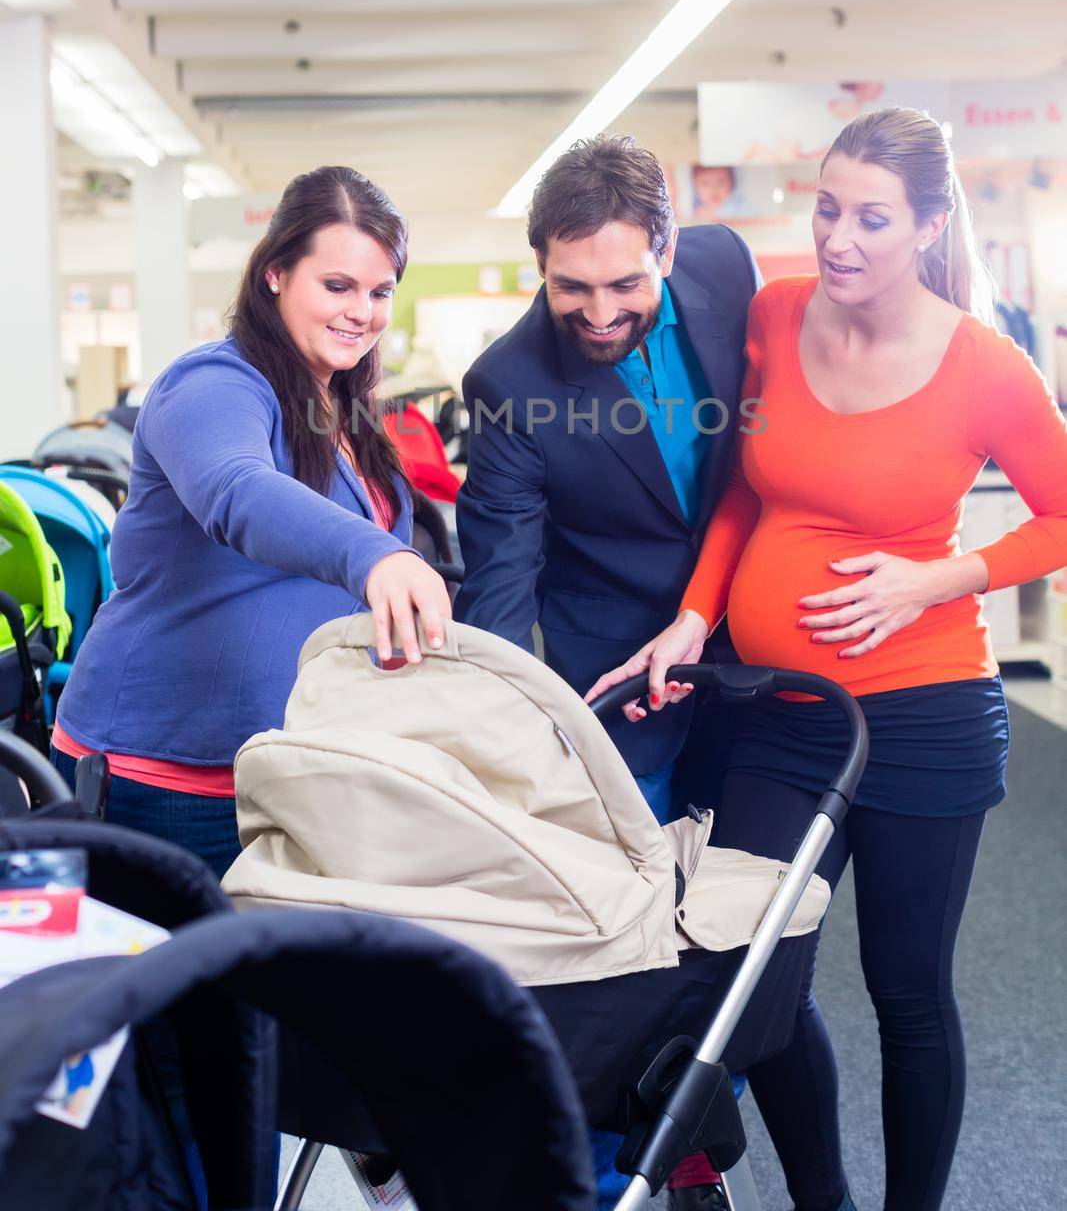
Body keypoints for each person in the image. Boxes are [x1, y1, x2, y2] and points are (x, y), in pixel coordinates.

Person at [587, 108, 1067, 1211]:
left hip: (923, 708)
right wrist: (696, 613)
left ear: (927, 224)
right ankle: (824, 1202)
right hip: (785, 710)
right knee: (751, 978)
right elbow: (749, 486)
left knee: (904, 990)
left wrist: (935, 577)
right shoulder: (774, 312)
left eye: (869, 217)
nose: (837, 236)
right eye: (825, 207)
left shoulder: (981, 363)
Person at [454, 134, 758, 1209]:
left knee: (755, 918)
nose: (595, 310)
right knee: (618, 928)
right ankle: (630, 1155)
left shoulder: (726, 267)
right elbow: (495, 577)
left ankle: (693, 1109)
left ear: (669, 252)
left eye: (624, 282)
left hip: (754, 641)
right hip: (619, 677)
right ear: (537, 262)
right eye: (568, 285)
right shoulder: (506, 384)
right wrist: (503, 727)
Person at [52, 166, 451, 880]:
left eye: (379, 290)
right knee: (184, 991)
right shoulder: (211, 383)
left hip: (296, 765)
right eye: (337, 286)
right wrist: (375, 557)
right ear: (274, 274)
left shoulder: (346, 409)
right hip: (169, 776)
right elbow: (235, 491)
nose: (361, 310)